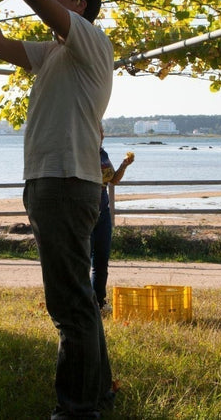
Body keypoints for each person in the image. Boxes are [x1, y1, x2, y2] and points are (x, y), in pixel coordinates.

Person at [0, 0, 115, 419]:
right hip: (54, 181)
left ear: (81, 4)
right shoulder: (53, 54)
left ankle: (76, 408)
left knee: (68, 305)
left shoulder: (90, 39)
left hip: (66, 182)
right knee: (79, 300)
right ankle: (97, 392)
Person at [91, 131, 134, 316]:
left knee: (101, 260)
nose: (102, 135)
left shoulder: (103, 154)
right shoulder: (84, 153)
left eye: (102, 133)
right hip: (87, 210)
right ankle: (82, 304)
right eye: (99, 132)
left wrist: (124, 165)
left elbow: (113, 180)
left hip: (104, 211)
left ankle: (99, 303)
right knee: (83, 260)